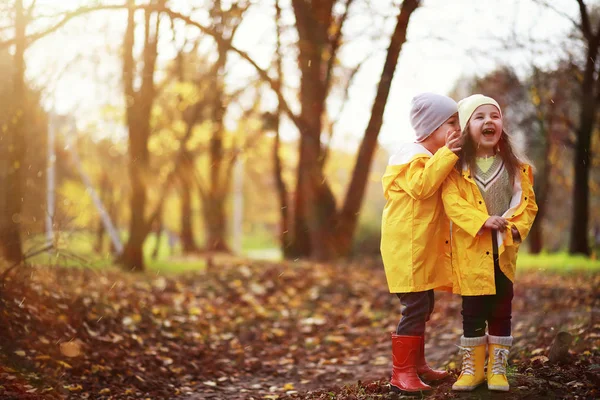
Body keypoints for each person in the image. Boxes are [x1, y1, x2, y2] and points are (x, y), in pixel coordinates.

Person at [442, 94, 538, 392]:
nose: (489, 122)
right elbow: (452, 203)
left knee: (501, 307)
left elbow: (528, 205)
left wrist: (515, 230)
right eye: (479, 117)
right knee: (472, 310)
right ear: (467, 127)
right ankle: (473, 369)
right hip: (471, 251)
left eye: (494, 116)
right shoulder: (457, 169)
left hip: (502, 251)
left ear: (501, 125)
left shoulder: (515, 167)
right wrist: (480, 221)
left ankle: (497, 368)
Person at [380, 92, 462, 393]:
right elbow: (422, 187)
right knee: (414, 308)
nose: (458, 129)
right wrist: (449, 154)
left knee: (424, 304)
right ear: (432, 127)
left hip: (420, 250)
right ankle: (401, 374)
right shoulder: (410, 157)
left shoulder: (430, 159)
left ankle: (416, 364)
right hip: (406, 250)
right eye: (451, 122)